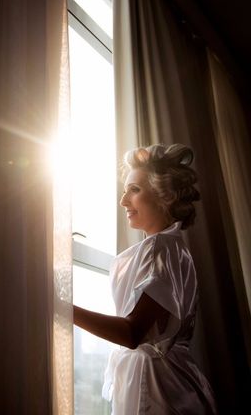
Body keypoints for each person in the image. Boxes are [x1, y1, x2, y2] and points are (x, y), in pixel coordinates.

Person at [73, 143, 217, 414]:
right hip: (168, 383)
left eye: (134, 190)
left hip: (161, 391)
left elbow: (131, 333)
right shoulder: (169, 248)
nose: (123, 201)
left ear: (166, 196)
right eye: (124, 190)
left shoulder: (161, 248)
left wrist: (61, 308)